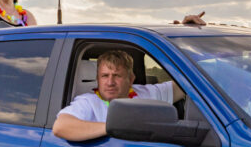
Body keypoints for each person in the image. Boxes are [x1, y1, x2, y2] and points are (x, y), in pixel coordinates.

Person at [53, 50, 185, 141]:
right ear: (98, 79)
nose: (110, 82)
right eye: (105, 76)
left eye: (117, 76)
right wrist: (114, 126)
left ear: (131, 78)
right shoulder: (88, 101)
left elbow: (188, 85)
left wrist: (182, 35)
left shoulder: (145, 93)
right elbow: (61, 127)